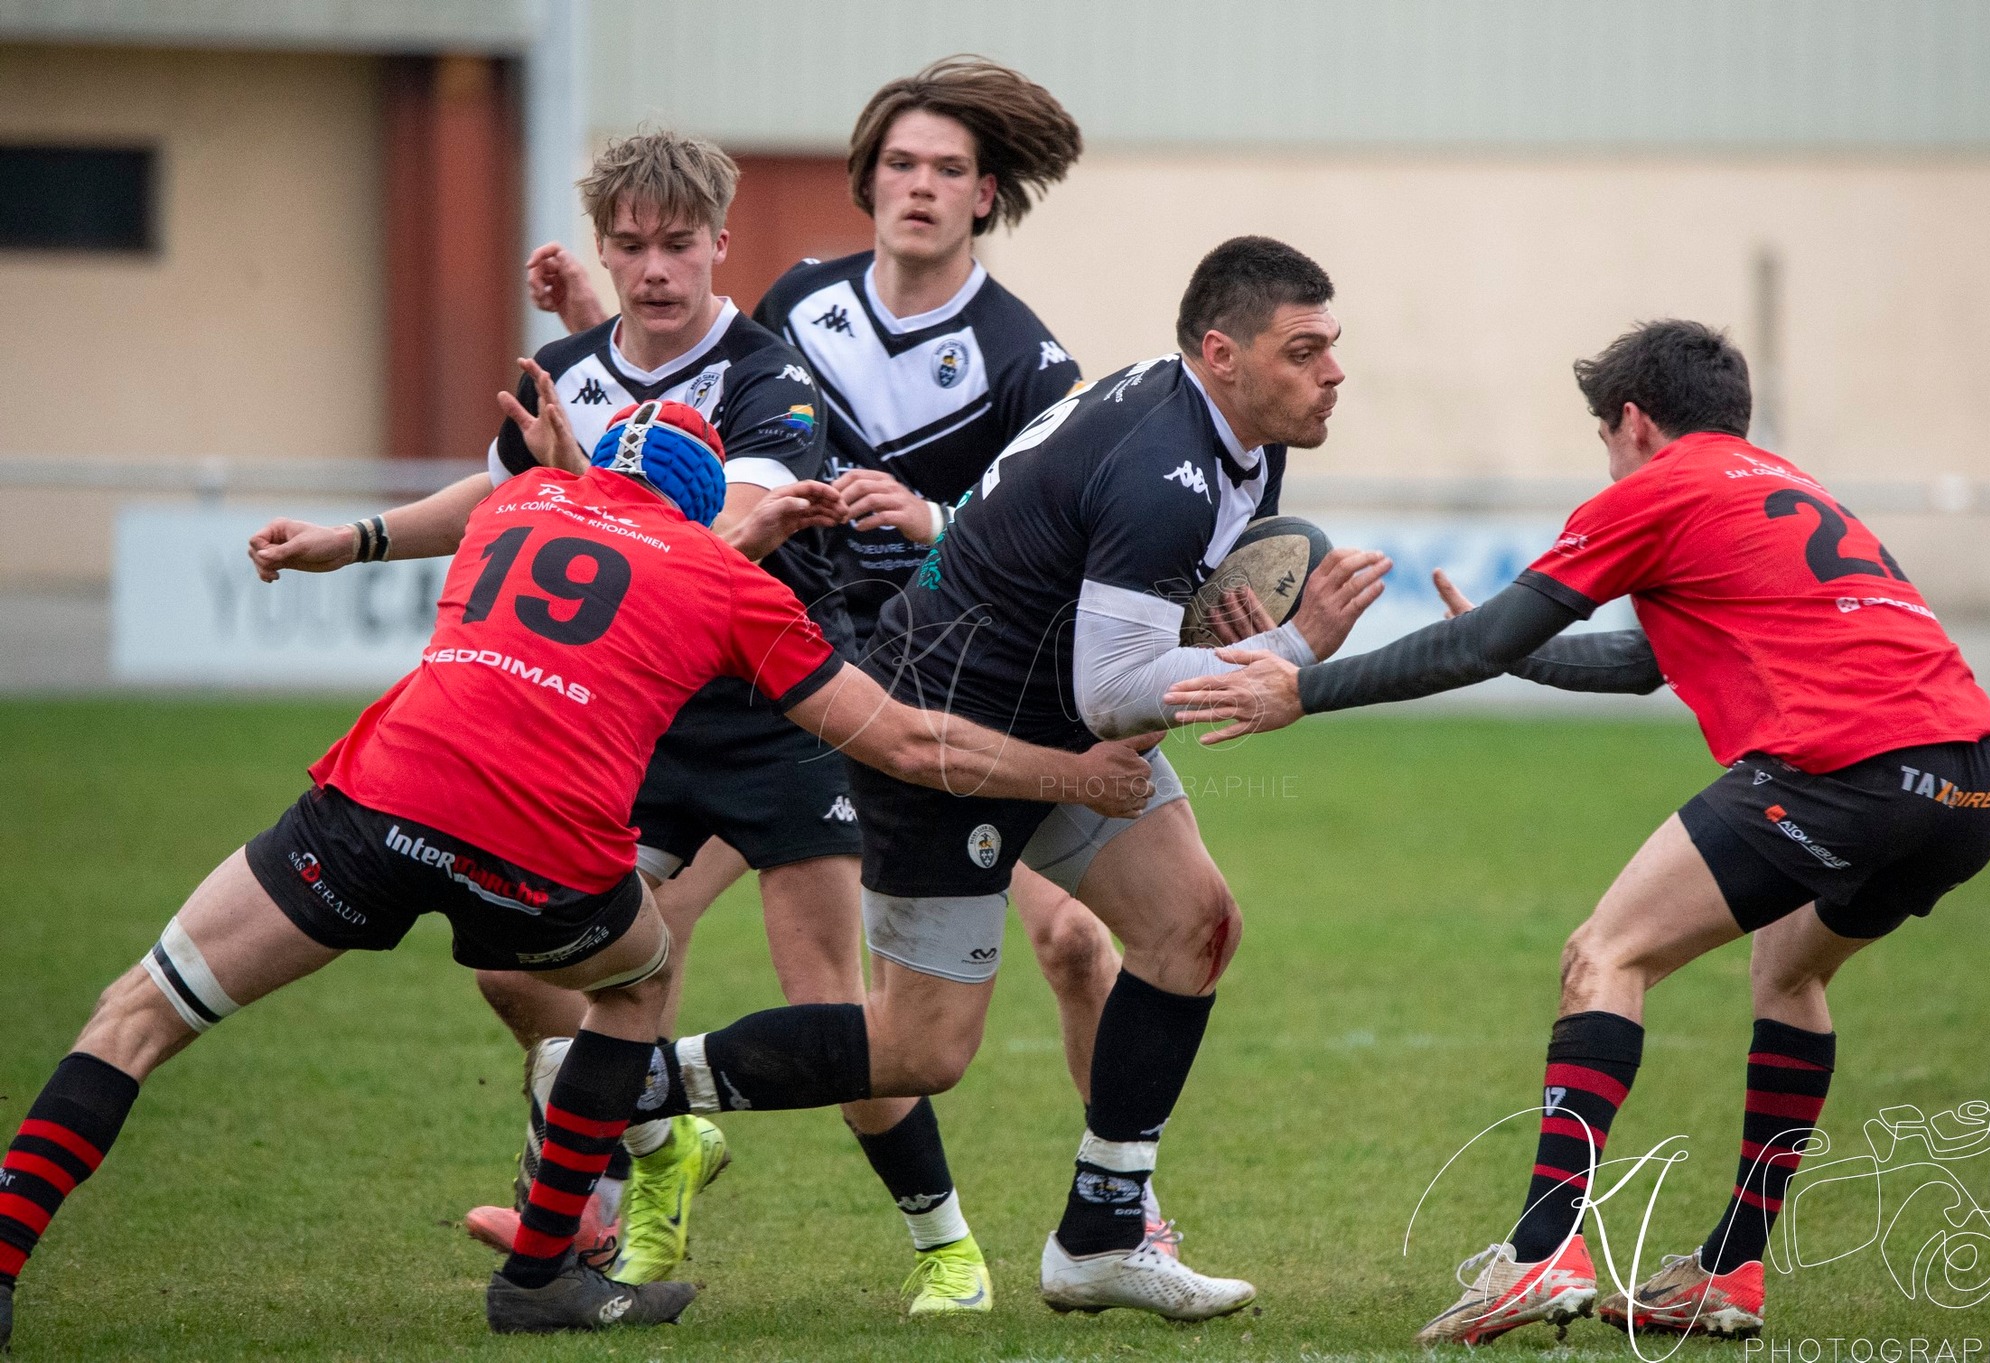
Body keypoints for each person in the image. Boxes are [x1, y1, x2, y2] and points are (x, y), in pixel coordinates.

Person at [0, 402, 1154, 1346]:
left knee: (139, 1010)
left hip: (374, 801)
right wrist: (1079, 773)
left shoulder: (519, 497)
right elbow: (901, 742)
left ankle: (4, 1258)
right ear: (712, 509)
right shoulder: (729, 585)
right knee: (641, 982)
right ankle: (545, 1273)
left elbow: (578, 519)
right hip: (538, 850)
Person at [563, 236, 1389, 1322]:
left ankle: (1100, 1235)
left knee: (1192, 922)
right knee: (921, 1048)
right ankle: (618, 1082)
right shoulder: (1165, 466)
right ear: (1222, 354)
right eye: (1305, 350)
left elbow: (1115, 620)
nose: (1332, 371)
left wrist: (1212, 629)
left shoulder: (1234, 435)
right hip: (948, 735)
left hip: (1051, 719)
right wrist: (1290, 653)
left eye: (1331, 347)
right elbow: (1114, 689)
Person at [1162, 319, 1990, 1343]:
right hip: (1972, 785)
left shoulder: (1653, 487)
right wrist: (1518, 655)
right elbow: (1645, 663)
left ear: (1630, 421)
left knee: (1602, 955)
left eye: (1603, 438)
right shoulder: (1773, 485)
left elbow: (1483, 639)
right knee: (1789, 974)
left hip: (1844, 770)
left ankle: (1539, 1250)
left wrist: (1304, 689)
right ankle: (1728, 1270)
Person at [245, 130, 982, 1312]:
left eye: (677, 246)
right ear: (604, 248)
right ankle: (656, 1146)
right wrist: (354, 538)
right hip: (630, 726)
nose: (653, 271)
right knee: (520, 961)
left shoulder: (767, 376)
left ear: (718, 246)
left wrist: (579, 479)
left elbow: (716, 546)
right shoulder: (571, 368)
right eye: (630, 247)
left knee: (825, 1007)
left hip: (777, 715)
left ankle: (944, 1245)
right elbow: (503, 494)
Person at [536, 55, 1197, 1265]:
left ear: (985, 195)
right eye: (900, 163)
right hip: (794, 678)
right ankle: (607, 1187)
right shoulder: (796, 302)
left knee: (1066, 942)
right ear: (867, 178)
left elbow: (1060, 536)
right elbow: (680, 402)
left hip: (962, 687)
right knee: (628, 936)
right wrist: (593, 317)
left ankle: (1119, 1198)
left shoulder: (1026, 358)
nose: (919, 188)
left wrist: (934, 521)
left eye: (948, 169)